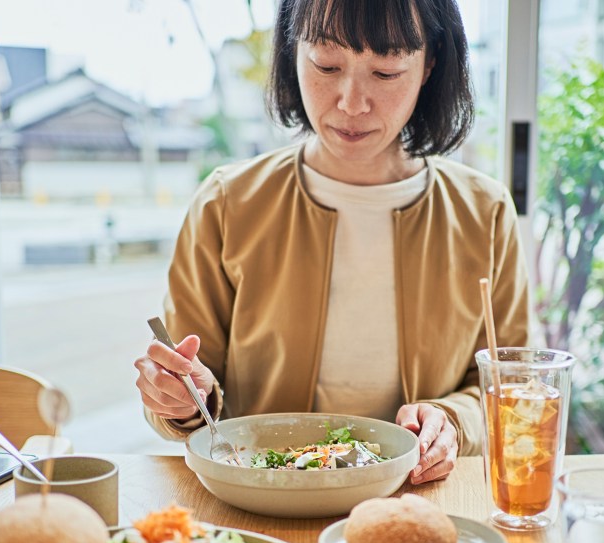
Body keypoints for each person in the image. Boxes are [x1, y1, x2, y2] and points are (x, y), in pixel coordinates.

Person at [135, 0, 529, 484]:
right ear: (290, 52)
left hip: (419, 497)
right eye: (326, 64)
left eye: (385, 72)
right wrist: (181, 397)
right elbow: (192, 379)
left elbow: (514, 382)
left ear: (429, 65)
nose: (351, 102)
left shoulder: (483, 211)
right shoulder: (228, 203)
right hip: (265, 497)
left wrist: (453, 422)